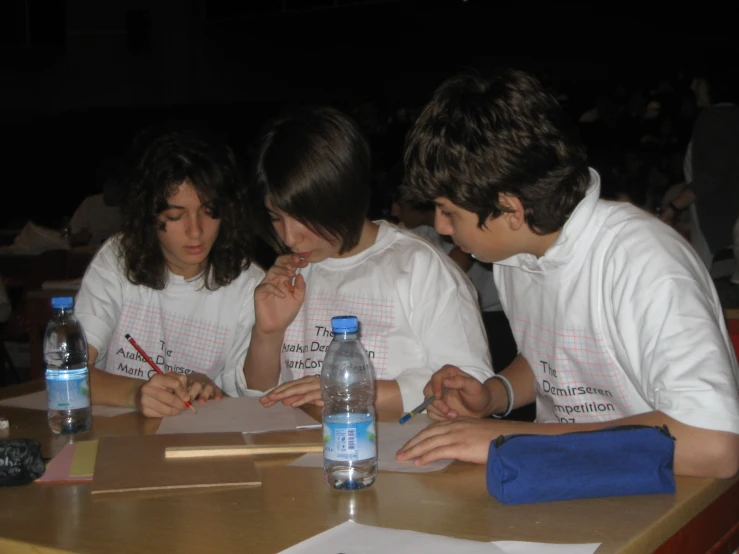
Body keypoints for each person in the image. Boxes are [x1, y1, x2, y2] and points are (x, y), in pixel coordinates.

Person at [395, 68, 739, 479]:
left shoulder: (643, 262)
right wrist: (492, 397)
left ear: (511, 209)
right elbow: (554, 356)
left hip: (662, 496)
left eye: (449, 211)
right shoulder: (516, 255)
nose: (443, 227)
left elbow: (714, 445)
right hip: (562, 484)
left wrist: (513, 441)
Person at [244, 106, 493, 417]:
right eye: (275, 218)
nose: (290, 238)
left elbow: (470, 386)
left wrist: (351, 393)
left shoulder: (417, 265)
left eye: (304, 218)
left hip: (399, 456)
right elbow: (259, 396)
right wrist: (267, 333)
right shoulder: (292, 273)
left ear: (344, 195)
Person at [74, 129, 265, 417]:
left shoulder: (249, 285)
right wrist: (137, 393)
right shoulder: (118, 258)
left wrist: (212, 391)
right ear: (150, 217)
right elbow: (69, 375)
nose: (195, 230)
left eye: (209, 211)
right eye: (176, 216)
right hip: (117, 439)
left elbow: (251, 405)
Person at [69, 156, 127, 246]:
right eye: (110, 185)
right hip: (90, 256)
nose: (113, 190)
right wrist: (81, 237)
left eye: (117, 186)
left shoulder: (129, 209)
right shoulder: (89, 204)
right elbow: (70, 236)